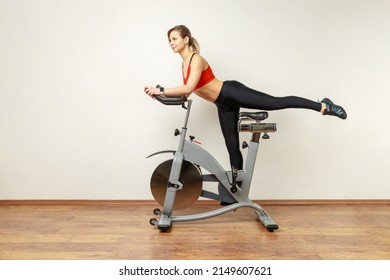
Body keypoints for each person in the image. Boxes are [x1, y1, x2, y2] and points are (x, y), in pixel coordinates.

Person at [144, 25, 347, 171]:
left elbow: (187, 87)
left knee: (277, 102)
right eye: (169, 40)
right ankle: (236, 192)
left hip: (230, 92)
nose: (171, 43)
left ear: (186, 39)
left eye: (174, 38)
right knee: (231, 145)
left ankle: (323, 106)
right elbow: (187, 92)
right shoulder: (184, 64)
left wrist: (160, 90)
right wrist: (162, 95)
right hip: (222, 104)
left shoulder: (196, 59)